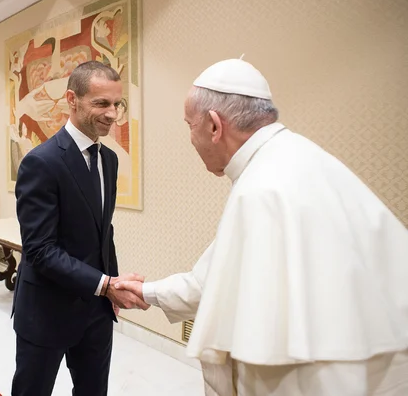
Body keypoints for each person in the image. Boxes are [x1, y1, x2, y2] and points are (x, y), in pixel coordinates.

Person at [115, 58, 408, 395]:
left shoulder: (262, 188)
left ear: (214, 126)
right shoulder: (300, 157)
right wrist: (147, 292)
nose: (191, 139)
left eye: (189, 125)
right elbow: (216, 278)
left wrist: (144, 292)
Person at [11, 61, 149, 396]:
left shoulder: (110, 161)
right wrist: (106, 284)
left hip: (96, 311)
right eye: (101, 104)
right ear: (72, 100)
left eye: (118, 104)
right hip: (46, 311)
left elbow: (104, 232)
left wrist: (110, 286)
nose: (112, 114)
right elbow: (40, 250)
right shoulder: (41, 162)